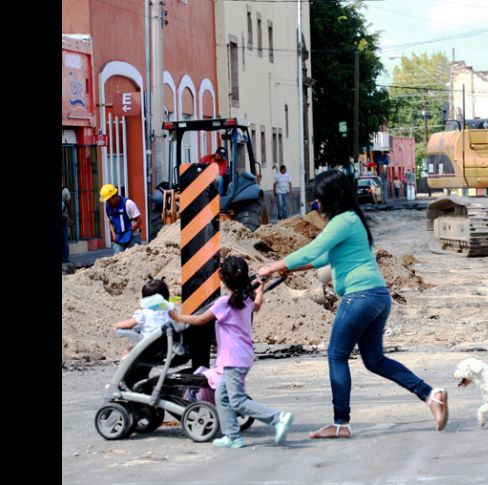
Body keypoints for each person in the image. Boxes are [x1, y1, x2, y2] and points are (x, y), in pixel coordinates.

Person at [257, 170, 448, 439]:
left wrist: (271, 266)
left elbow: (312, 250)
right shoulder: (352, 220)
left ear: (330, 198)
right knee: (374, 360)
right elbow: (323, 257)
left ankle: (340, 423)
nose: (316, 205)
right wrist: (290, 269)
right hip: (377, 296)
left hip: (360, 297)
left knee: (337, 355)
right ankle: (431, 395)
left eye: (318, 200)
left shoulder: (343, 220)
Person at [170, 256, 294, 449]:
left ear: (222, 279)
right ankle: (232, 436)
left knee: (237, 400)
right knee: (222, 397)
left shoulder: (224, 302)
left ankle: (277, 417)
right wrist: (260, 290)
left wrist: (177, 316)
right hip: (241, 357)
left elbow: (201, 320)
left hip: (233, 360)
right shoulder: (245, 299)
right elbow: (258, 306)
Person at [114, 276, 173, 356]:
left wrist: (116, 325)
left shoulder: (144, 314)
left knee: (128, 350)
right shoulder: (170, 312)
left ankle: (127, 367)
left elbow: (127, 324)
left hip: (149, 349)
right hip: (167, 349)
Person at [100, 184, 143, 254]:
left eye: (108, 200)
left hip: (132, 236)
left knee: (132, 257)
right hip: (119, 237)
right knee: (117, 258)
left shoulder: (128, 204)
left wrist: (130, 231)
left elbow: (139, 221)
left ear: (114, 197)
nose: (107, 203)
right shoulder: (108, 207)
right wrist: (113, 235)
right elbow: (110, 222)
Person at [62, 182, 71, 264]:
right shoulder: (65, 191)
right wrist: (70, 217)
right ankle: (65, 257)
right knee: (64, 237)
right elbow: (68, 204)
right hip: (63, 216)